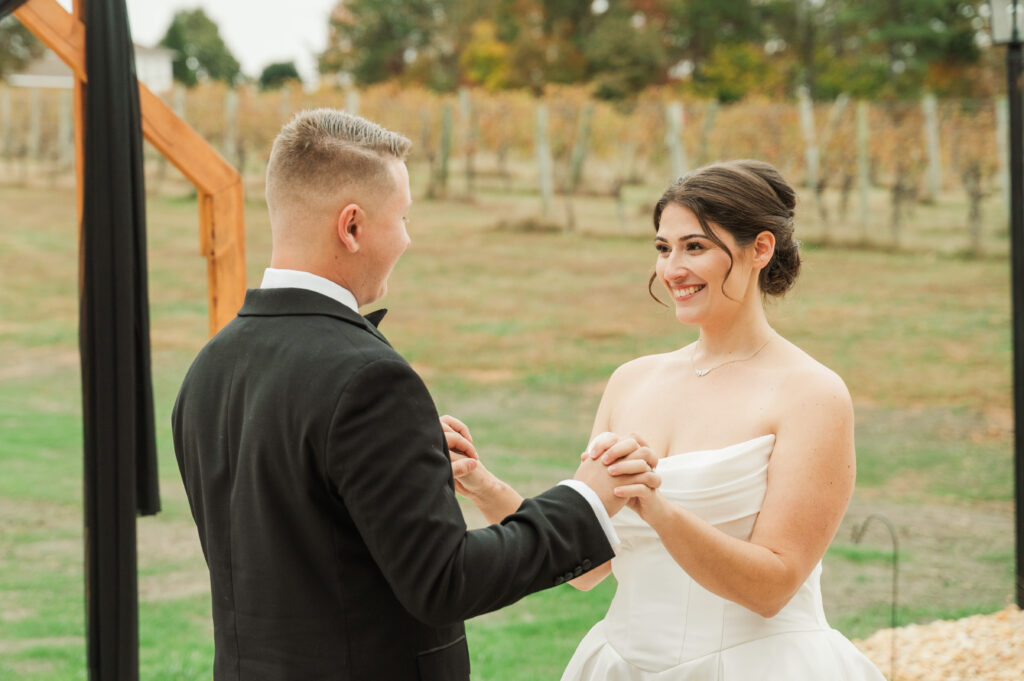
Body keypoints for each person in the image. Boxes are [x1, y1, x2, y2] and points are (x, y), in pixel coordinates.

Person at [170, 109, 661, 681]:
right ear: (351, 227)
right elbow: (443, 580)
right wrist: (584, 499)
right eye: (402, 217)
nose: (407, 236)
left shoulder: (209, 366)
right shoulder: (369, 379)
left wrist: (406, 468)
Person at [451, 160, 886, 679]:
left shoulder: (811, 394)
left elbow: (772, 587)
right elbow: (591, 568)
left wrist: (654, 507)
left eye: (695, 247)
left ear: (761, 249)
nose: (672, 268)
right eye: (663, 248)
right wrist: (479, 483)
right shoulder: (630, 381)